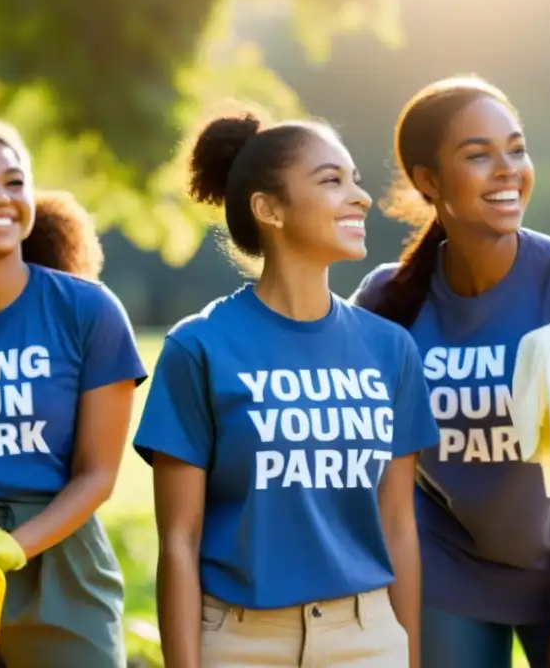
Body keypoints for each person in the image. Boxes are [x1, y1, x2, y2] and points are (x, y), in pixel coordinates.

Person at [133, 106, 439, 668]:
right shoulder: (197, 348)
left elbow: (398, 524)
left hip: (368, 640)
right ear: (268, 208)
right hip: (239, 643)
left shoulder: (390, 349)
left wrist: (408, 653)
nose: (361, 197)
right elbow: (179, 542)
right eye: (332, 180)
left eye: (356, 180)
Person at [352, 76, 550, 668]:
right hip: (450, 572)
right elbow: (371, 465)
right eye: (478, 155)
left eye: (516, 149)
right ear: (428, 180)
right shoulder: (384, 301)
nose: (507, 169)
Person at [0, 120, 146, 668]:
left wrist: (12, 548)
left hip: (61, 564)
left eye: (13, 182)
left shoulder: (88, 311)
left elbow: (97, 475)